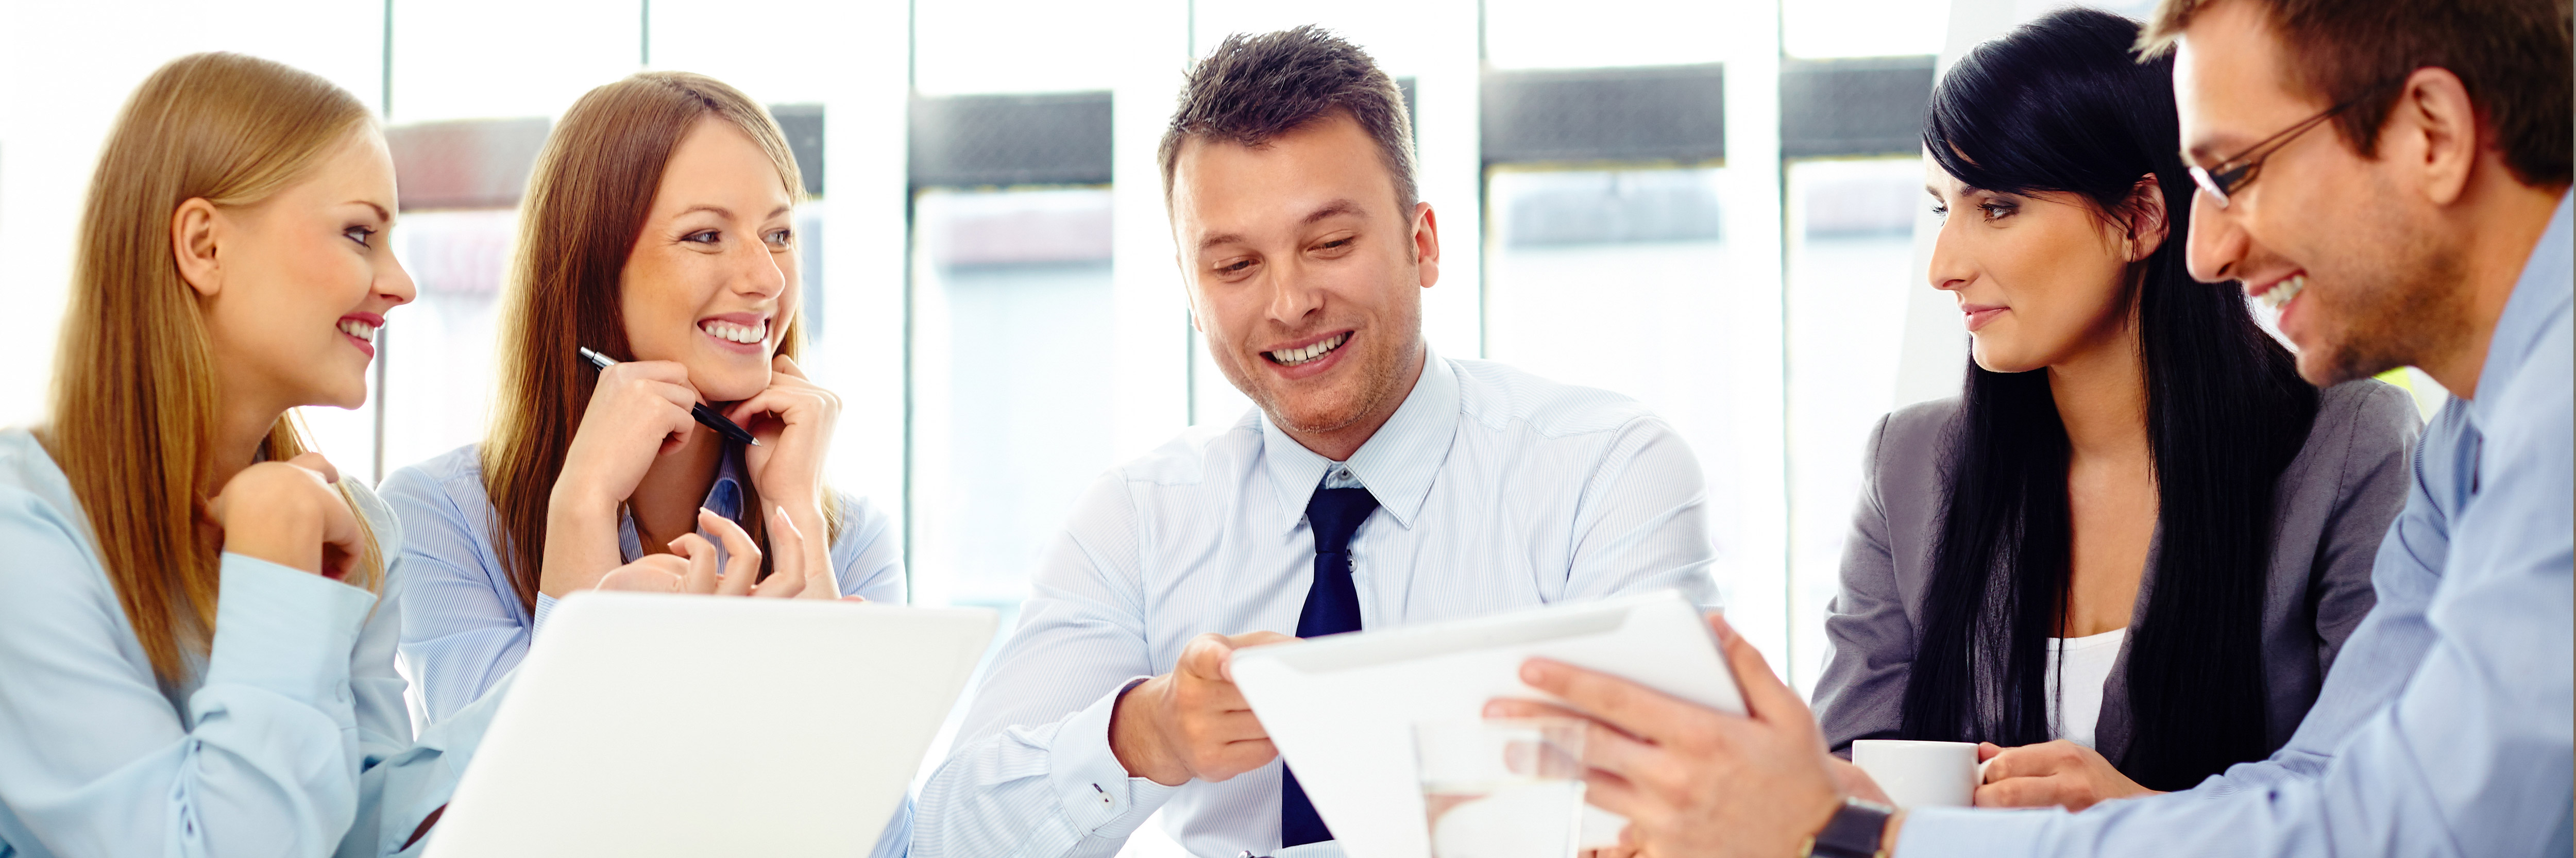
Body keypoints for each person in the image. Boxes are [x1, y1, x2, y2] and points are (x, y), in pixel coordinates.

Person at [1493, 0, 2571, 855]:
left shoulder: (2497, 421)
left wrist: (1875, 835)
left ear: (2431, 132)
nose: (2211, 252)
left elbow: (2411, 831)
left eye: (2236, 174)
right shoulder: (2474, 439)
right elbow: (2331, 780)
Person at [910, 26, 1719, 858]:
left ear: (1422, 243)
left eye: (1330, 243)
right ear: (1192, 296)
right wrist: (1144, 735)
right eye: (1235, 266)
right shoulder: (1139, 520)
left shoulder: (1607, 472)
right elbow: (946, 838)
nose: (1291, 302)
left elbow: (1691, 811)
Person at [1810, 7, 2416, 811]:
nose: (1944, 266)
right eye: (1939, 208)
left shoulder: (2346, 446)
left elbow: (2381, 785)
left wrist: (2136, 818)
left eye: (1996, 207)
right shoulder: (1910, 463)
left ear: (2142, 217)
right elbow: (1843, 774)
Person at [378, 72, 908, 854]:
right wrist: (583, 508)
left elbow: (879, 844)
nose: (766, 278)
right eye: (705, 235)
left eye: (780, 233)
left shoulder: (848, 532)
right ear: (596, 267)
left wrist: (800, 527)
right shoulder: (440, 516)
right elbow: (515, 830)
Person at [0, 53, 501, 857]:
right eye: (360, 233)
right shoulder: (21, 532)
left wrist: (586, 666)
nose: (402, 283)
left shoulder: (353, 528)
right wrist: (275, 578)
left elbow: (359, 832)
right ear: (204, 245)